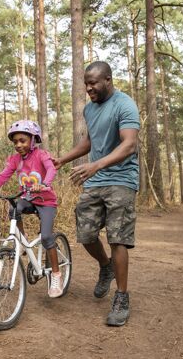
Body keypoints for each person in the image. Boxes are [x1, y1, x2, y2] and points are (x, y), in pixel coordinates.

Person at [53, 61, 140, 326]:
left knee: (118, 238)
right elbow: (89, 142)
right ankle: (106, 266)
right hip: (95, 180)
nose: (88, 88)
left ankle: (122, 297)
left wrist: (96, 165)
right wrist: (62, 160)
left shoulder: (124, 105)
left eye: (93, 83)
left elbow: (130, 144)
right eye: (86, 84)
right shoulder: (89, 109)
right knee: (86, 234)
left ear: (108, 80)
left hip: (121, 179)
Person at [0, 120, 64, 298]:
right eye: (15, 141)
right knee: (14, 210)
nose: (18, 145)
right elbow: (2, 176)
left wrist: (45, 184)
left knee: (47, 237)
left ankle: (56, 274)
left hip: (46, 201)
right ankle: (23, 240)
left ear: (33, 140)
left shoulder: (41, 155)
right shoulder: (15, 160)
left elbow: (51, 170)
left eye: (22, 140)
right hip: (28, 199)